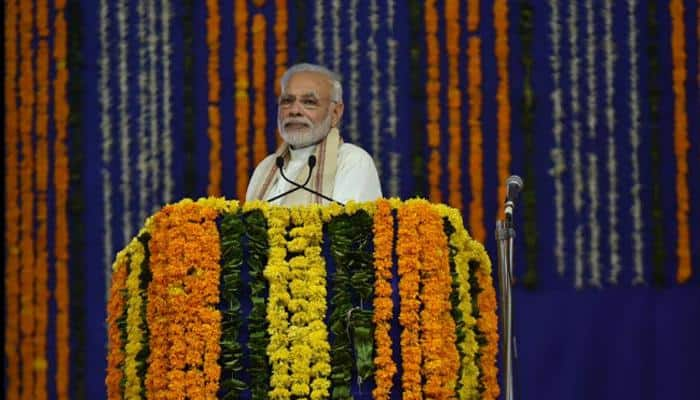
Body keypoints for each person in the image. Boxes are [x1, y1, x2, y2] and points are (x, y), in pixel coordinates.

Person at [246, 63, 382, 205]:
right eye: (287, 101)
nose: (294, 111)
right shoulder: (266, 167)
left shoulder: (352, 161)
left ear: (335, 113)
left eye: (309, 102)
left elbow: (349, 226)